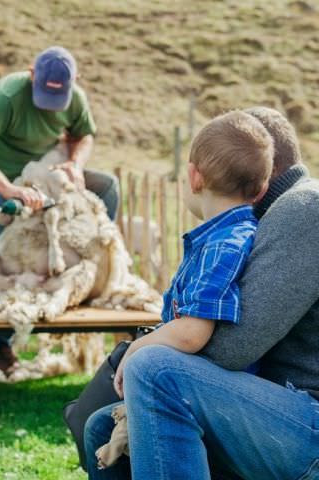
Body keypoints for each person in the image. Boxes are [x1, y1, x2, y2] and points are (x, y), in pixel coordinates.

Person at [84, 106, 319, 480]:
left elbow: (231, 348)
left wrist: (148, 349)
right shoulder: (270, 218)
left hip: (309, 420)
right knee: (102, 427)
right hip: (286, 409)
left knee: (154, 370)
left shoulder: (305, 208)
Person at [0, 46, 119, 373]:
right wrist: (7, 188)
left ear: (75, 82)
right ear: (31, 75)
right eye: (44, 93)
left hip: (46, 173)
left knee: (108, 186)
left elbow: (84, 135)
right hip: (1, 178)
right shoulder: (7, 95)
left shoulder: (76, 98)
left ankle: (88, 271)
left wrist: (74, 164)